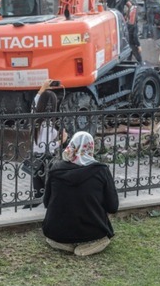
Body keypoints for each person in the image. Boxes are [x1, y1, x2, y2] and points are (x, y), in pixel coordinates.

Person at [42, 131, 119, 256]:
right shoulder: (101, 171)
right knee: (102, 235)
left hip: (55, 232)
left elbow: (46, 202)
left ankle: (62, 243)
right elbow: (113, 206)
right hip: (92, 231)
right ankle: (90, 244)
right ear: (91, 147)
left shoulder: (55, 168)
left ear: (72, 145)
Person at [24, 79, 67, 208]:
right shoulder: (47, 125)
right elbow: (46, 146)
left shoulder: (35, 119)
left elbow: (34, 105)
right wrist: (61, 141)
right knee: (47, 190)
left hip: (35, 158)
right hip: (44, 160)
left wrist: (42, 89)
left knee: (38, 191)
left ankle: (31, 207)